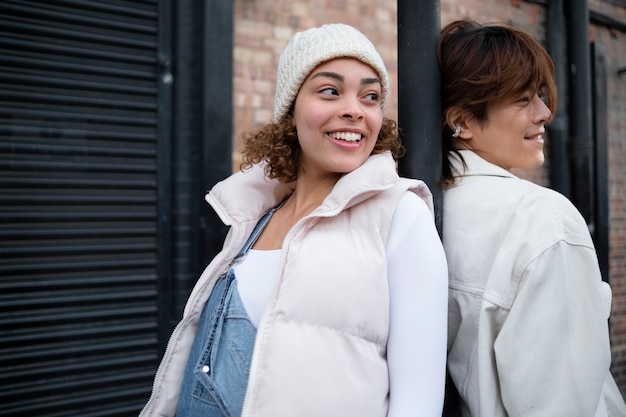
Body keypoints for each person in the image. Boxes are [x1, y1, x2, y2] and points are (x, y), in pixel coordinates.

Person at [139, 23, 448, 417]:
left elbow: (418, 403)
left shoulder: (401, 215)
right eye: (330, 91)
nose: (355, 109)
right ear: (290, 110)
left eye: (370, 96)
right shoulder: (255, 220)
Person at [437, 20, 626, 417]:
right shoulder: (541, 220)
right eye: (522, 100)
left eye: (539, 95)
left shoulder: (423, 205)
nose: (545, 112)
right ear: (463, 121)